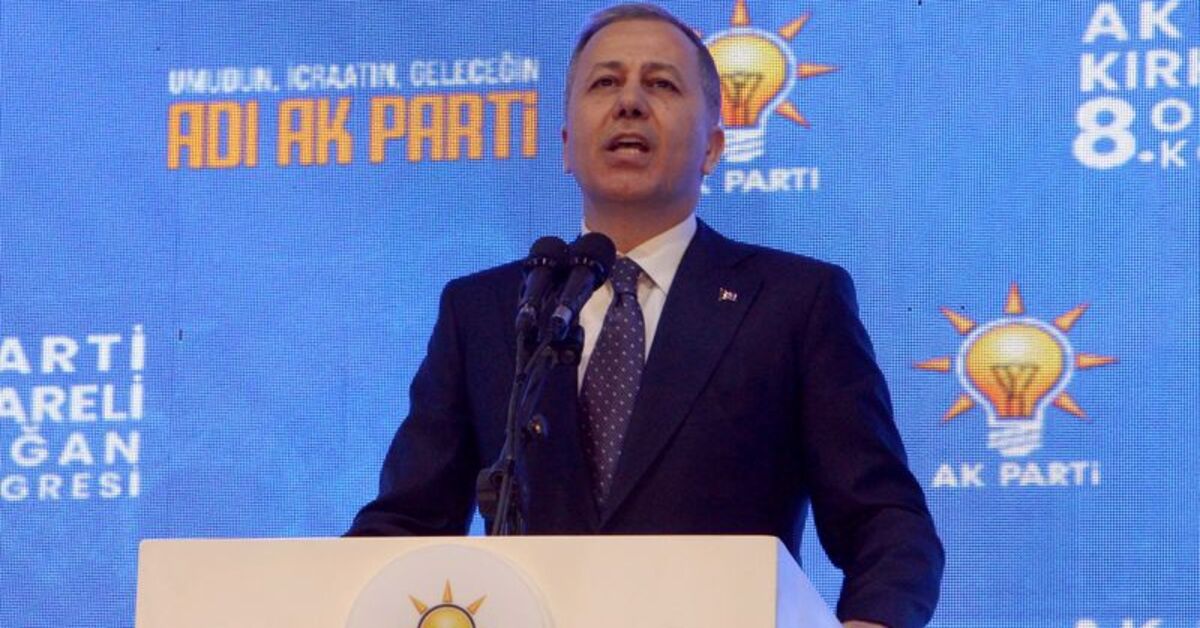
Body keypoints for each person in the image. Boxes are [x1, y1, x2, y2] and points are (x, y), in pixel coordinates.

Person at [347, 4, 943, 627]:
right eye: (605, 82)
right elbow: (406, 523)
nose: (629, 102)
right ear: (566, 146)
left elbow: (885, 521)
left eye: (661, 84)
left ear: (713, 147)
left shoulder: (793, 301)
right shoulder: (488, 310)